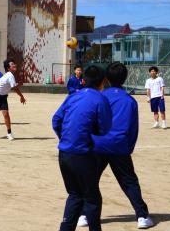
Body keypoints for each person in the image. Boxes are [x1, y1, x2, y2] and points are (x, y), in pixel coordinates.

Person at [77, 62, 153, 229]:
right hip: (119, 146)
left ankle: (84, 215)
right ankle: (142, 216)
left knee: (90, 180)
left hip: (98, 145)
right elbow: (134, 127)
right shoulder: (130, 101)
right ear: (125, 78)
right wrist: (129, 147)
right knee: (129, 182)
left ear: (106, 79)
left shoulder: (100, 96)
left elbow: (90, 120)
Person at [52, 65, 112, 231]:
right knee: (92, 198)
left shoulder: (72, 97)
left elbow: (56, 120)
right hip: (83, 154)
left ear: (83, 81)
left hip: (64, 153)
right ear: (103, 83)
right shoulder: (101, 99)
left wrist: (65, 138)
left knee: (74, 194)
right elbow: (105, 128)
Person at [0, 58, 26, 140]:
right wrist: (21, 93)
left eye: (14, 64)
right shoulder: (10, 75)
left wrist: (21, 96)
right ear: (8, 68)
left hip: (3, 96)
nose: (14, 65)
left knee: (6, 114)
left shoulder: (11, 75)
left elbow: (14, 87)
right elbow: (14, 88)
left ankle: (9, 133)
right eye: (12, 64)